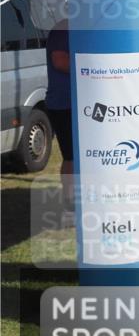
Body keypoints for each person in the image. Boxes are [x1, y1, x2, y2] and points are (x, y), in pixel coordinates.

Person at [45, 20, 74, 226]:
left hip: (85, 103)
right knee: (72, 157)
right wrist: (91, 65)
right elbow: (59, 61)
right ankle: (71, 208)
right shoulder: (63, 29)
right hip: (64, 104)